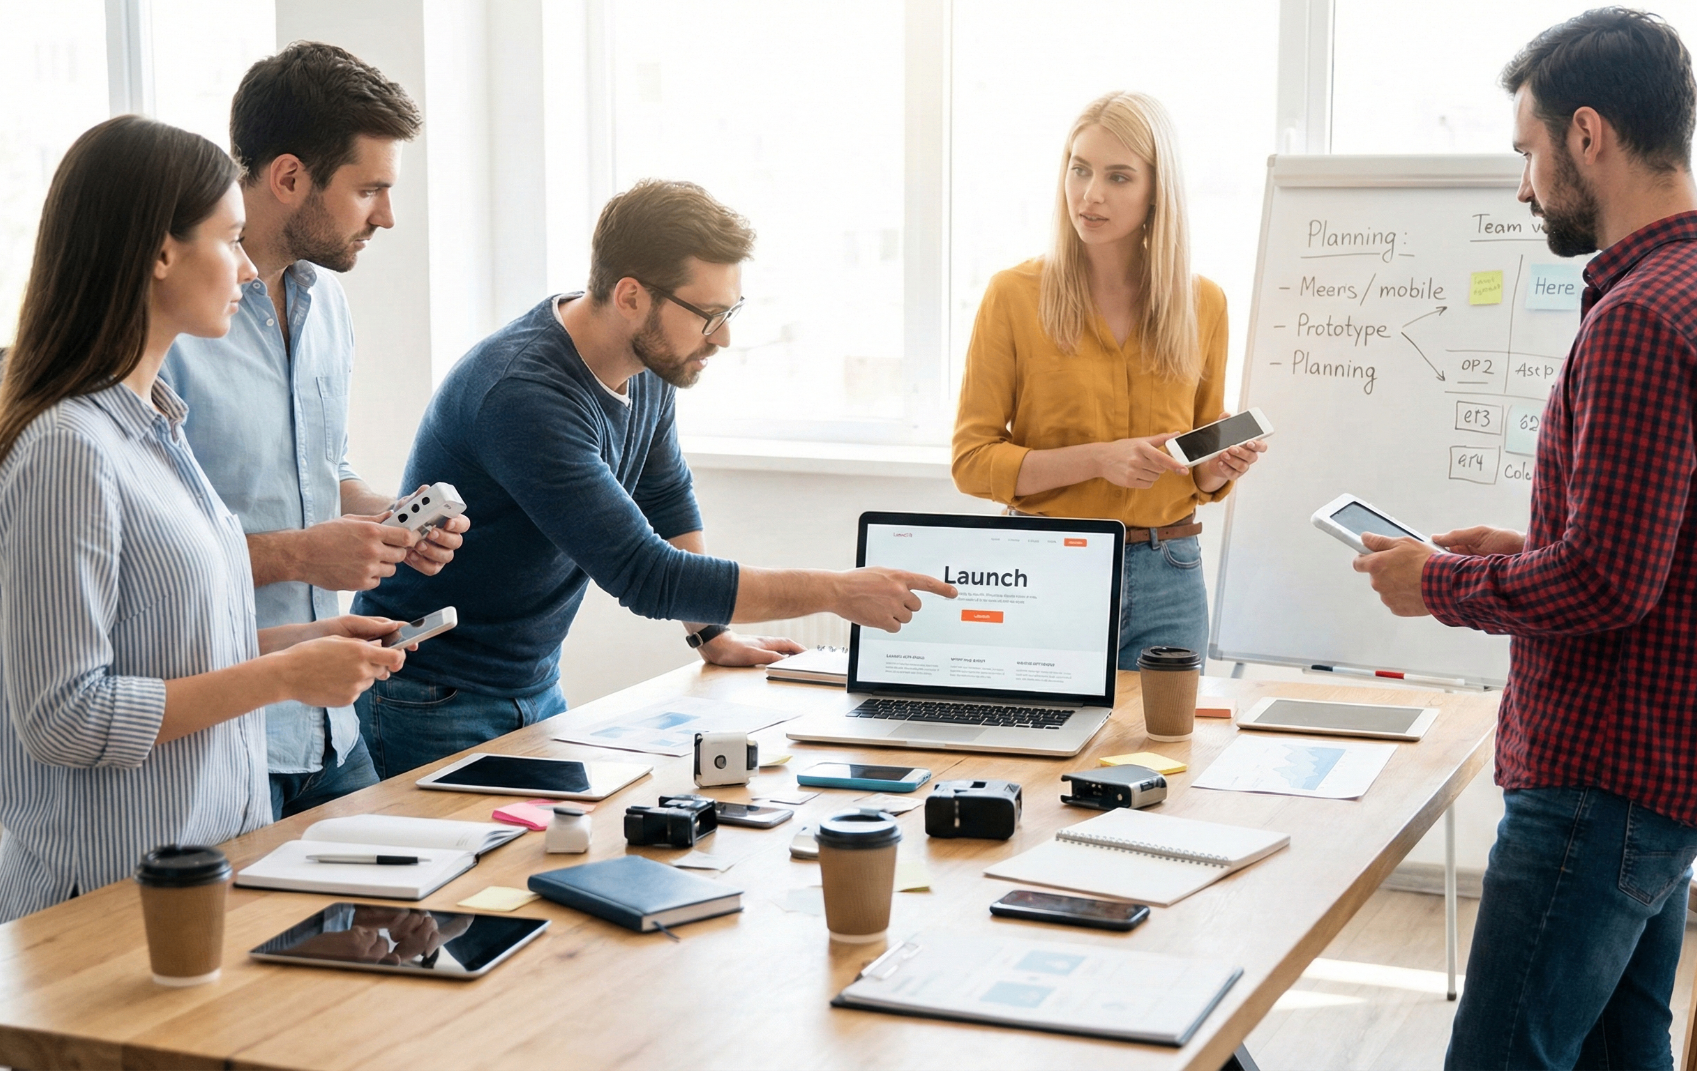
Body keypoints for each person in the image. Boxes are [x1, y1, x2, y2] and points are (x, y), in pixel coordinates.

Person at [1350, 12, 1697, 1069]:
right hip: (1674, 773)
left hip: (1601, 782)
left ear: (1588, 136)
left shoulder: (1644, 316)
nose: (1524, 187)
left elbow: (1610, 581)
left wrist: (1446, 583)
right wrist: (1526, 545)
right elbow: (1674, 547)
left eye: (1529, 152)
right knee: (1615, 1055)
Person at [352, 179, 956, 778]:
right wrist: (838, 592)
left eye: (731, 311)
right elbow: (646, 575)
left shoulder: (647, 364)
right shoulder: (524, 394)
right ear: (632, 297)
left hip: (530, 683)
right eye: (708, 316)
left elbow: (664, 499)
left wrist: (710, 634)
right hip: (428, 693)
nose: (723, 338)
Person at [0, 116, 408, 926]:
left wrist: (306, 646)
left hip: (193, 886)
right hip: (98, 908)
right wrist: (279, 679)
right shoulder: (70, 450)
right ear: (159, 254)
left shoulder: (157, 426)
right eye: (230, 240)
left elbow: (172, 644)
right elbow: (67, 715)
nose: (246, 269)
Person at [162, 43, 466, 818]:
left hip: (333, 725)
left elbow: (316, 465)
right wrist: (302, 552)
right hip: (224, 732)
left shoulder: (327, 302)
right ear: (290, 177)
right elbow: (154, 556)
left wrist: (386, 517)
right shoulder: (168, 326)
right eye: (370, 189)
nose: (388, 216)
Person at [951, 91, 1265, 669]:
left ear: (1155, 192)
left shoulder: (1204, 304)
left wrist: (1218, 468)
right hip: (1047, 569)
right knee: (1038, 746)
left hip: (1169, 571)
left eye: (1118, 177)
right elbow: (972, 462)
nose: (1089, 194)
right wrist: (1098, 459)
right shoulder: (1013, 295)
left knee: (1167, 755)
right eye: (1079, 169)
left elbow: (1195, 466)